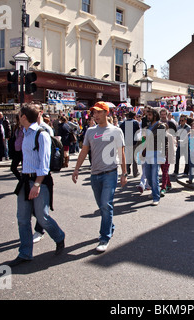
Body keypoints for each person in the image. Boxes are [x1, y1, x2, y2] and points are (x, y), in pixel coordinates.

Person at [8, 104, 65, 267]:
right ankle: (25, 253)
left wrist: (37, 185)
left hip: (40, 181)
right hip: (25, 180)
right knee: (22, 219)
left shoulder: (41, 134)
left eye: (19, 115)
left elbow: (44, 163)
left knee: (42, 217)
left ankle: (59, 237)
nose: (17, 117)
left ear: (24, 116)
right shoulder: (25, 133)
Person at [72, 101, 127, 252]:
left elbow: (121, 153)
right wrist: (76, 169)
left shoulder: (116, 131)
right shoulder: (90, 131)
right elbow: (84, 151)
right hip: (94, 174)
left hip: (110, 173)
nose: (95, 115)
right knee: (102, 206)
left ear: (106, 113)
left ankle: (104, 237)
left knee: (105, 204)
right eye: (93, 113)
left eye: (98, 112)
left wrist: (124, 173)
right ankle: (110, 225)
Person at [142, 107, 166, 206]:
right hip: (148, 152)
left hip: (156, 152)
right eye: (147, 115)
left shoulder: (161, 126)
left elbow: (162, 141)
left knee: (154, 175)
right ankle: (155, 190)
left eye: (150, 115)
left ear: (155, 115)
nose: (148, 117)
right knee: (147, 175)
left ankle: (156, 196)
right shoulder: (148, 126)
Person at [120, 111, 140, 177]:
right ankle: (135, 172)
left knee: (127, 157)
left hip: (126, 142)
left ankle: (127, 170)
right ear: (134, 116)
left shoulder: (123, 124)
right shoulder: (135, 122)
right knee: (134, 158)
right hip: (134, 142)